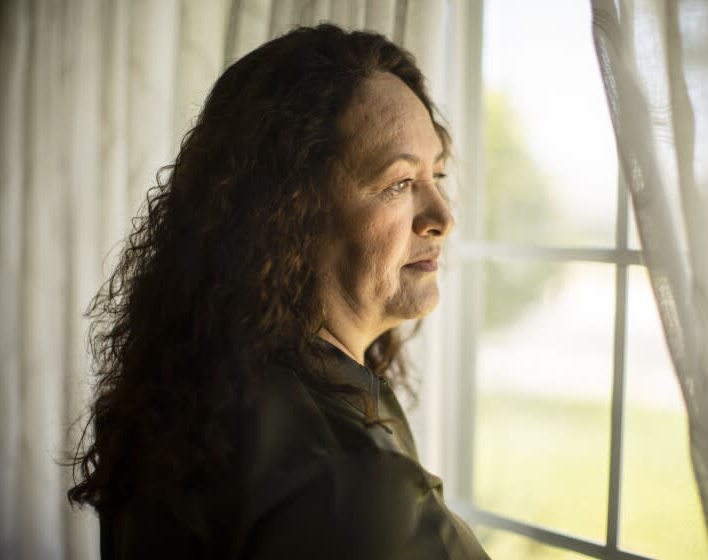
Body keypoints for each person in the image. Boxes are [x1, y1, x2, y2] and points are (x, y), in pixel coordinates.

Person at [67, 23, 491, 559]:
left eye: (438, 176)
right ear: (290, 215)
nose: (442, 217)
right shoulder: (353, 482)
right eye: (399, 182)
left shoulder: (191, 390)